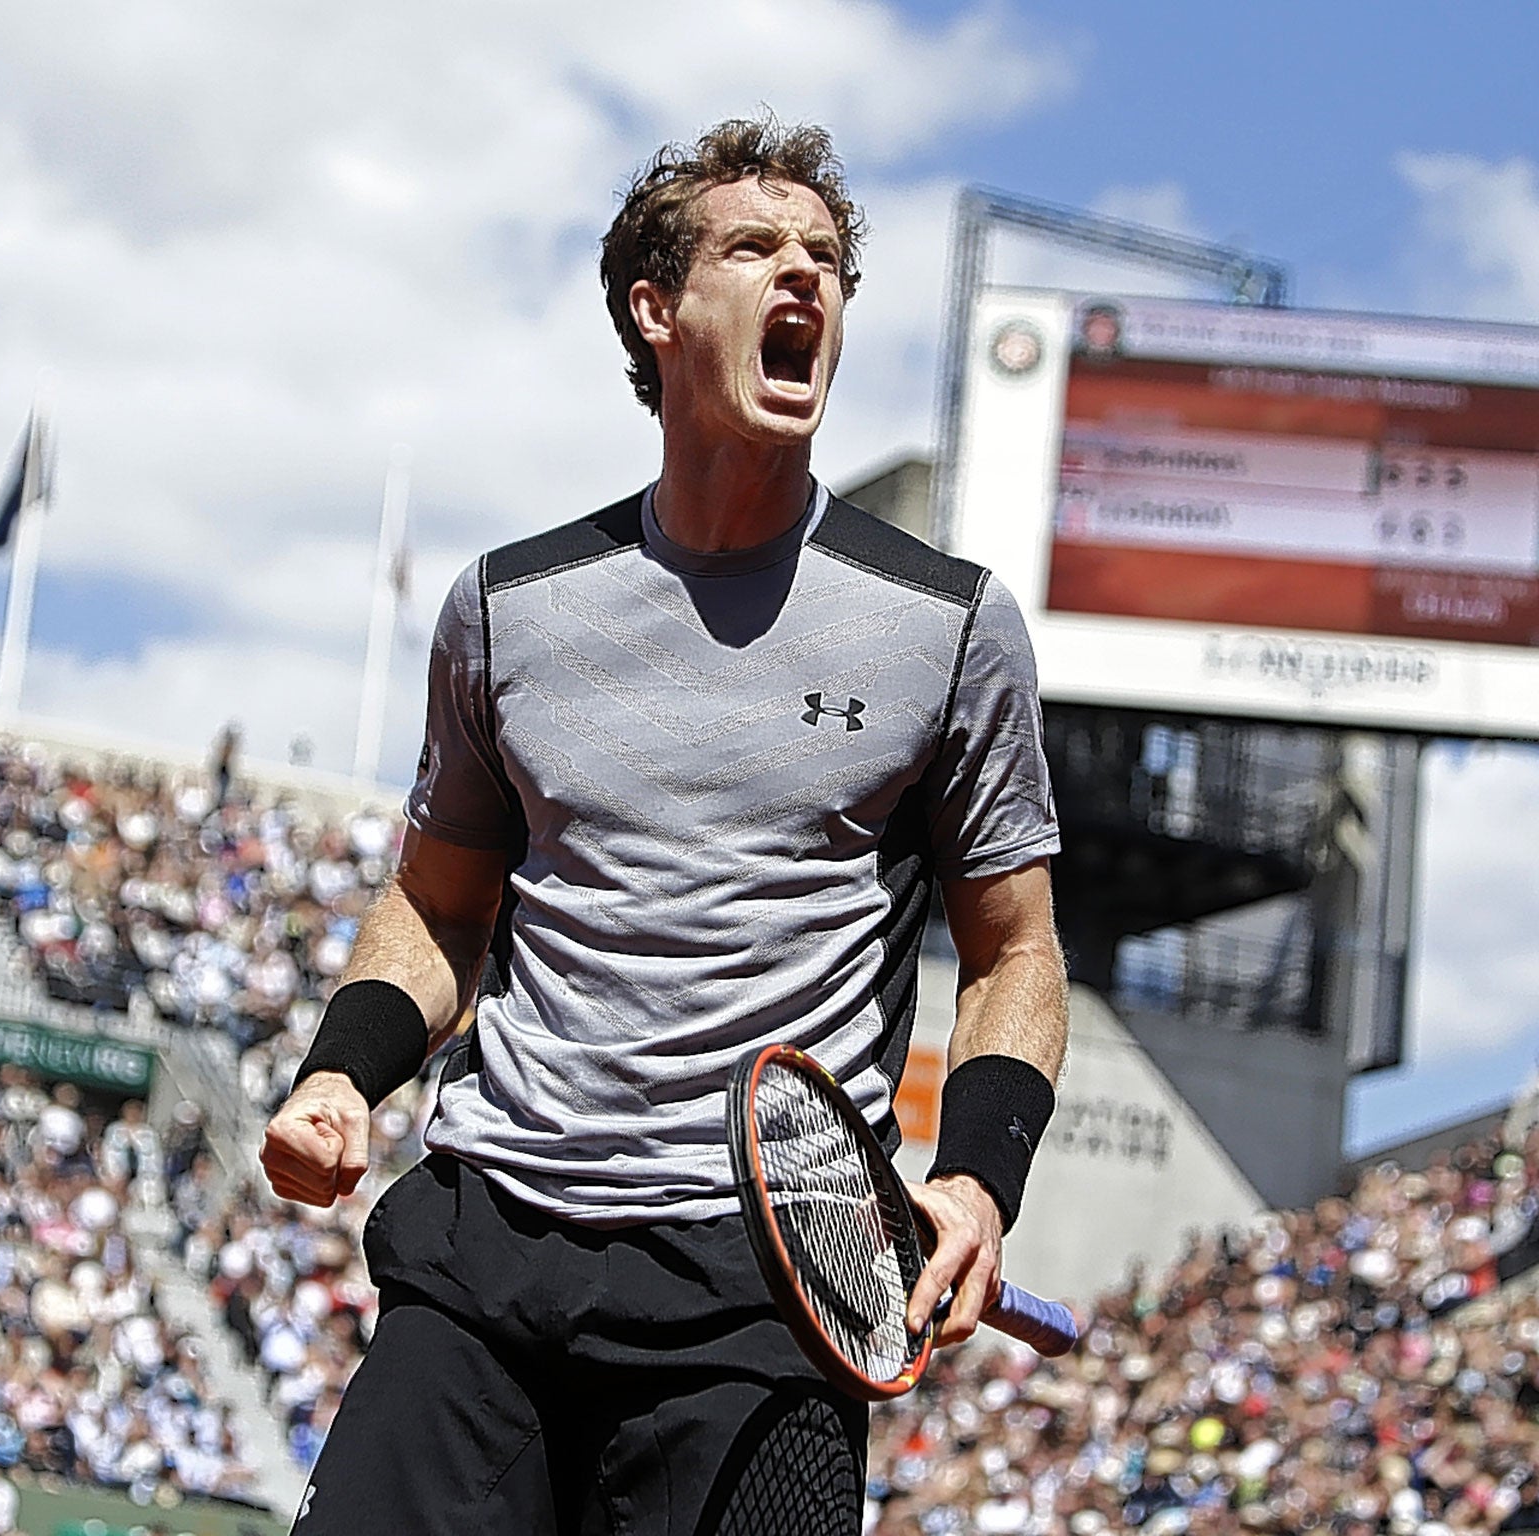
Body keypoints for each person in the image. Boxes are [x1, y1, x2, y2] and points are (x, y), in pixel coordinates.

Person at [261, 114, 1069, 1535]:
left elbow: (1016, 957)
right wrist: (347, 1071)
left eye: (825, 258)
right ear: (656, 308)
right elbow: (444, 907)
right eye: (755, 249)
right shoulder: (508, 607)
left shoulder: (950, 626)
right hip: (488, 1247)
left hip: (765, 1296)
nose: (801, 278)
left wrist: (977, 1182)